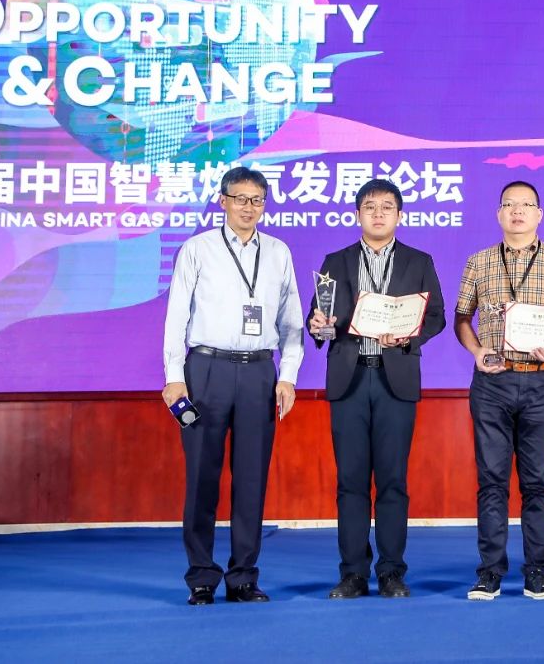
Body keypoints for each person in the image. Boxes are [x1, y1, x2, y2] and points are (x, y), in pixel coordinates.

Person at [162, 166, 303, 606]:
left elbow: (292, 320)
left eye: (257, 200)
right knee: (202, 476)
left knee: (252, 478)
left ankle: (243, 576)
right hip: (206, 369)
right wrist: (173, 376)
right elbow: (176, 315)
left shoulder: (278, 252)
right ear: (223, 201)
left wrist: (288, 375)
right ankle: (202, 576)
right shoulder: (197, 249)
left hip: (260, 371)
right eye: (240, 198)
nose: (248, 207)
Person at [307, 179, 446, 599]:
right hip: (349, 379)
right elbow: (318, 318)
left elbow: (436, 316)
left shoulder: (419, 261)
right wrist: (318, 326)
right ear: (358, 214)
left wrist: (408, 336)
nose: (379, 213)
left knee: (392, 481)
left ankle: (391, 572)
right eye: (370, 206)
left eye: (387, 206)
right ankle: (352, 573)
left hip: (394, 380)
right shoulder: (335, 261)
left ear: (400, 215)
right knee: (350, 481)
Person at [454, 180, 544, 601]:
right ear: (499, 213)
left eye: (526, 204)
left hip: (541, 380)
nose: (517, 211)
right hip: (492, 381)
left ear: (539, 214)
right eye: (509, 204)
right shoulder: (479, 261)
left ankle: (538, 572)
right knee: (491, 481)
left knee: (537, 481)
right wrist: (476, 350)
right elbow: (462, 318)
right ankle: (490, 572)